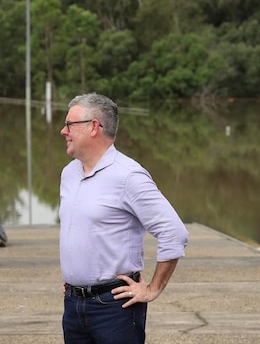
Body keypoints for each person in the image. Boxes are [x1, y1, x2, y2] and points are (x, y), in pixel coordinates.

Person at [59, 93, 189, 344]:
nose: (63, 131)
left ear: (94, 127)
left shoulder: (129, 176)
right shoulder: (69, 173)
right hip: (73, 306)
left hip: (114, 307)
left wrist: (152, 289)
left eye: (69, 125)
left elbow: (174, 233)